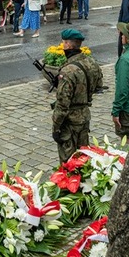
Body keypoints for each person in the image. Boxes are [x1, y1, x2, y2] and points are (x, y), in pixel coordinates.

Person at [52, 29, 103, 164]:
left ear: (68, 45)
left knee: (68, 162)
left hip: (69, 122)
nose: (62, 46)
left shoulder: (68, 70)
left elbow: (62, 104)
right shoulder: (92, 63)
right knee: (83, 157)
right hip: (84, 116)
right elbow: (99, 86)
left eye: (63, 43)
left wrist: (56, 127)